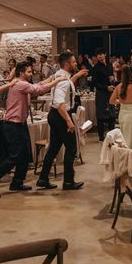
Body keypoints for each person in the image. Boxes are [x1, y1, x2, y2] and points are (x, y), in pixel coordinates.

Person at [0, 61, 69, 191]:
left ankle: (17, 183)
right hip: (13, 125)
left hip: (20, 124)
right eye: (29, 72)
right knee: (15, 156)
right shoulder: (20, 84)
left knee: (25, 155)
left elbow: (38, 84)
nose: (31, 74)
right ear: (21, 73)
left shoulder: (21, 83)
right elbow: (39, 89)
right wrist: (57, 81)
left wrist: (51, 78)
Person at [37, 51, 88, 191]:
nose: (76, 63)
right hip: (60, 116)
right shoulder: (63, 80)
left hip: (55, 115)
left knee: (53, 148)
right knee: (71, 148)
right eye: (73, 62)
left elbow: (67, 85)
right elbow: (59, 102)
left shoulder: (60, 75)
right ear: (67, 64)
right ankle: (68, 182)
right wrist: (68, 121)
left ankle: (43, 178)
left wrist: (77, 75)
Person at [92, 48, 116, 141]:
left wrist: (112, 80)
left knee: (112, 114)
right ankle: (101, 137)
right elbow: (94, 83)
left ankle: (112, 135)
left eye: (101, 54)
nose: (99, 56)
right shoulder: (96, 68)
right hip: (101, 93)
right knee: (101, 115)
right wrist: (106, 87)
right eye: (98, 55)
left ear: (105, 54)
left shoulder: (110, 65)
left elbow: (111, 78)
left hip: (110, 93)